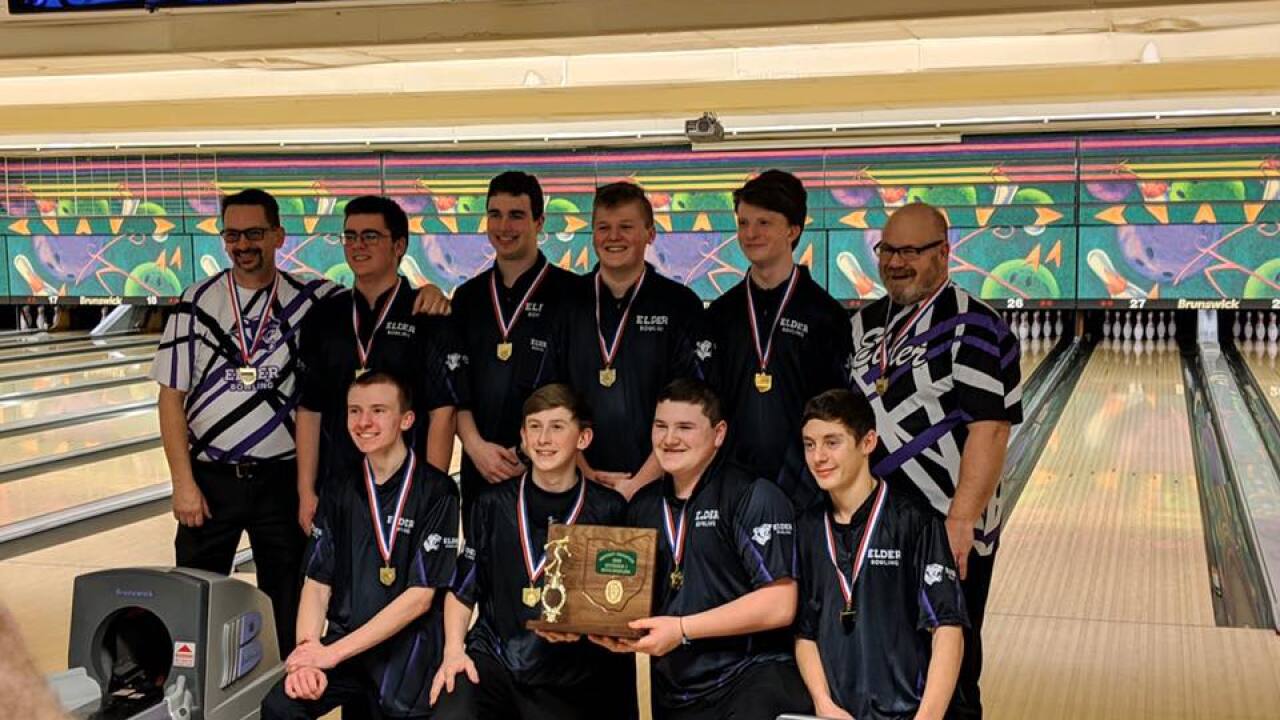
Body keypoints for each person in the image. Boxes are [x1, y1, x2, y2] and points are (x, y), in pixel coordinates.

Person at [849, 202, 1021, 719]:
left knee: (951, 674)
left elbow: (989, 428)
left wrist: (961, 519)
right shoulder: (863, 326)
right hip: (879, 527)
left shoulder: (976, 325)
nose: (896, 262)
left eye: (911, 251)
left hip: (945, 529)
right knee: (883, 660)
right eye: (887, 250)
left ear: (944, 253)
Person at [154, 188, 335, 655]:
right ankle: (193, 692)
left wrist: (430, 294)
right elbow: (170, 399)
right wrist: (183, 484)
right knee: (193, 598)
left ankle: (284, 694)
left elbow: (380, 296)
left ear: (278, 234)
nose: (242, 244)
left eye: (254, 233)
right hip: (210, 481)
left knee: (288, 598)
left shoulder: (313, 302)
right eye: (232, 234)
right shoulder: (194, 303)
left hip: (282, 479)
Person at [593, 378, 810, 720]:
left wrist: (681, 629)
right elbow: (627, 600)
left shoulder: (753, 495)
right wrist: (606, 630)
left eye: (685, 427)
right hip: (676, 688)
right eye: (660, 426)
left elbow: (779, 604)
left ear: (718, 434)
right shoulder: (643, 508)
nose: (669, 439)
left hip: (748, 678)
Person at [429, 384, 635, 720]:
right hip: (497, 658)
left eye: (557, 427)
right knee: (452, 700)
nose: (543, 439)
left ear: (582, 439)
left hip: (570, 674)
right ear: (523, 437)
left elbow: (616, 606)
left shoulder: (608, 509)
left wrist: (586, 629)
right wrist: (453, 651)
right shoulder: (492, 504)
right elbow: (463, 590)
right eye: (535, 428)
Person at [261, 372, 459, 719]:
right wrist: (307, 656)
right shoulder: (339, 488)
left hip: (407, 651)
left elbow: (420, 597)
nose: (363, 422)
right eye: (355, 411)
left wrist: (330, 655)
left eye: (378, 410)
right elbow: (317, 582)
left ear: (406, 420)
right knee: (281, 707)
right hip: (345, 646)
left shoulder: (437, 491)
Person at [296, 195, 465, 534]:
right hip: (338, 485)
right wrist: (305, 492)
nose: (358, 245)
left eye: (371, 236)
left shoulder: (428, 315)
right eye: (350, 236)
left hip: (404, 489)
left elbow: (442, 413)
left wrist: (425, 493)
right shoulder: (323, 318)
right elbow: (309, 410)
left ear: (399, 245)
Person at [795, 389, 966, 720]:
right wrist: (822, 702)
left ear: (868, 442)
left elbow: (947, 628)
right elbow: (805, 632)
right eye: (809, 444)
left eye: (832, 442)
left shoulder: (915, 522)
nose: (818, 457)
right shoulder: (807, 527)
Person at [695, 170, 853, 510]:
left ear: (793, 230)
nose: (750, 234)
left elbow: (839, 409)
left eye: (764, 223)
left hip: (809, 489)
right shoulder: (720, 315)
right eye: (743, 223)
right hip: (732, 488)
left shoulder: (826, 316)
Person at [556, 181, 702, 498]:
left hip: (661, 484)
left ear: (650, 233)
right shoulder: (566, 302)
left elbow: (691, 403)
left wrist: (640, 483)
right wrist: (582, 471)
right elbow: (551, 395)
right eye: (603, 227)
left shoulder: (679, 304)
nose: (613, 237)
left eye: (626, 227)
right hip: (578, 484)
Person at [451, 171, 578, 507]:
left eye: (516, 215)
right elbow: (455, 387)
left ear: (539, 222)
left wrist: (530, 452)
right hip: (482, 465)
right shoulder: (467, 297)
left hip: (554, 465)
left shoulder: (573, 294)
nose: (504, 227)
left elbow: (579, 387)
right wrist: (475, 448)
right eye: (495, 215)